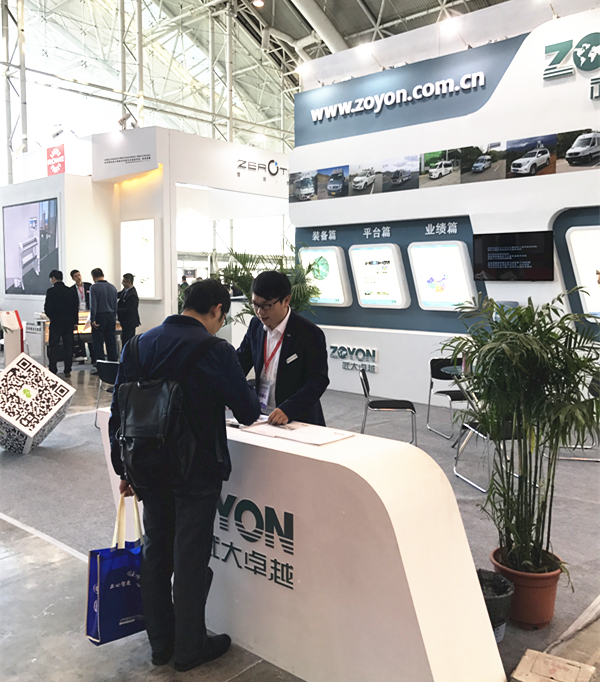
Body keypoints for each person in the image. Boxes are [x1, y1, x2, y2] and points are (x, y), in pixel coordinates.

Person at [108, 279, 261, 672]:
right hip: (196, 471)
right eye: (222, 317)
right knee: (190, 559)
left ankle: (160, 645)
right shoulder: (214, 349)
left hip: (147, 467)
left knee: (156, 554)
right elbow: (247, 412)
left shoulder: (137, 345)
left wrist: (124, 467)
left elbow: (119, 411)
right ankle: (190, 648)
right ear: (217, 310)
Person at [236, 270, 329, 426]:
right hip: (262, 417)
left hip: (298, 419)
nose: (260, 312)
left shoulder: (309, 333)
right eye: (255, 305)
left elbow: (318, 380)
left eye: (266, 306)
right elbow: (240, 362)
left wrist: (289, 409)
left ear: (286, 300)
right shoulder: (256, 326)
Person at [44, 269, 78, 377]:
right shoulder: (70, 291)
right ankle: (67, 369)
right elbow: (75, 308)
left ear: (53, 278)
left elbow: (47, 308)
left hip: (56, 323)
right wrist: (74, 322)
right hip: (68, 324)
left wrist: (52, 317)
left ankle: (53, 368)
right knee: (68, 347)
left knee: (53, 346)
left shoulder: (51, 291)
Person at [89, 267, 118, 373]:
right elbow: (115, 305)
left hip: (100, 316)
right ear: (103, 275)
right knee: (111, 341)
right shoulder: (112, 287)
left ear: (93, 277)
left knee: (98, 343)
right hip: (111, 316)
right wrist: (114, 317)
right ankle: (114, 365)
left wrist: (93, 319)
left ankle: (101, 368)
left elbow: (93, 304)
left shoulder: (94, 287)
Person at [70, 269, 93, 363]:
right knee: (80, 336)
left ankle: (93, 355)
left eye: (79, 275)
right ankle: (82, 355)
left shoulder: (88, 286)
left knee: (90, 335)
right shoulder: (71, 289)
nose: (78, 277)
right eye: (76, 276)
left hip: (88, 313)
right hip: (79, 313)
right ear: (73, 278)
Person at [117, 273, 141, 345]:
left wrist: (116, 310)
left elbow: (129, 310)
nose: (122, 283)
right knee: (124, 338)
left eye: (124, 281)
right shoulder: (125, 291)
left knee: (128, 340)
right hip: (124, 321)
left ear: (129, 282)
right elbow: (118, 294)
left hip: (129, 322)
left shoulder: (132, 295)